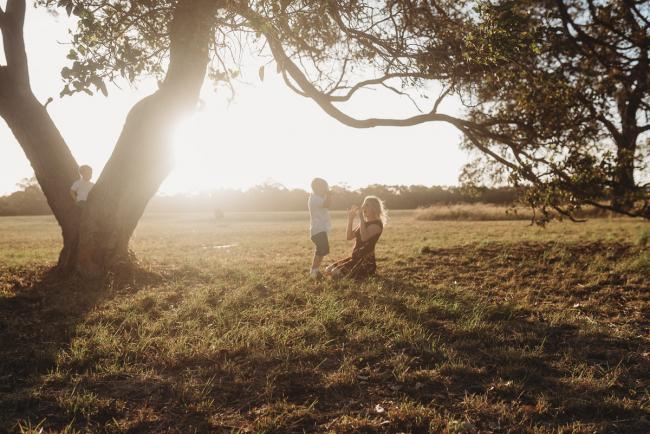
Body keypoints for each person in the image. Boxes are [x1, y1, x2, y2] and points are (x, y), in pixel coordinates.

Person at [326, 196, 387, 280]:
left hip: (365, 262)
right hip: (355, 258)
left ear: (374, 208)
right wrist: (350, 219)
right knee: (328, 270)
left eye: (367, 205)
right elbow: (349, 236)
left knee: (335, 273)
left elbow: (364, 238)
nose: (363, 207)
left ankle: (365, 273)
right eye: (363, 205)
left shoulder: (377, 224)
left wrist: (361, 219)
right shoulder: (364, 223)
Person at [308, 178, 331, 279]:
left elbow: (326, 204)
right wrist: (329, 195)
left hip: (320, 229)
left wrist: (327, 194)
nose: (327, 189)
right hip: (318, 229)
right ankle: (314, 271)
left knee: (322, 250)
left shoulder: (319, 197)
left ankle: (315, 271)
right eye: (325, 187)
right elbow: (327, 204)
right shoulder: (314, 198)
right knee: (322, 249)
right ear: (317, 188)